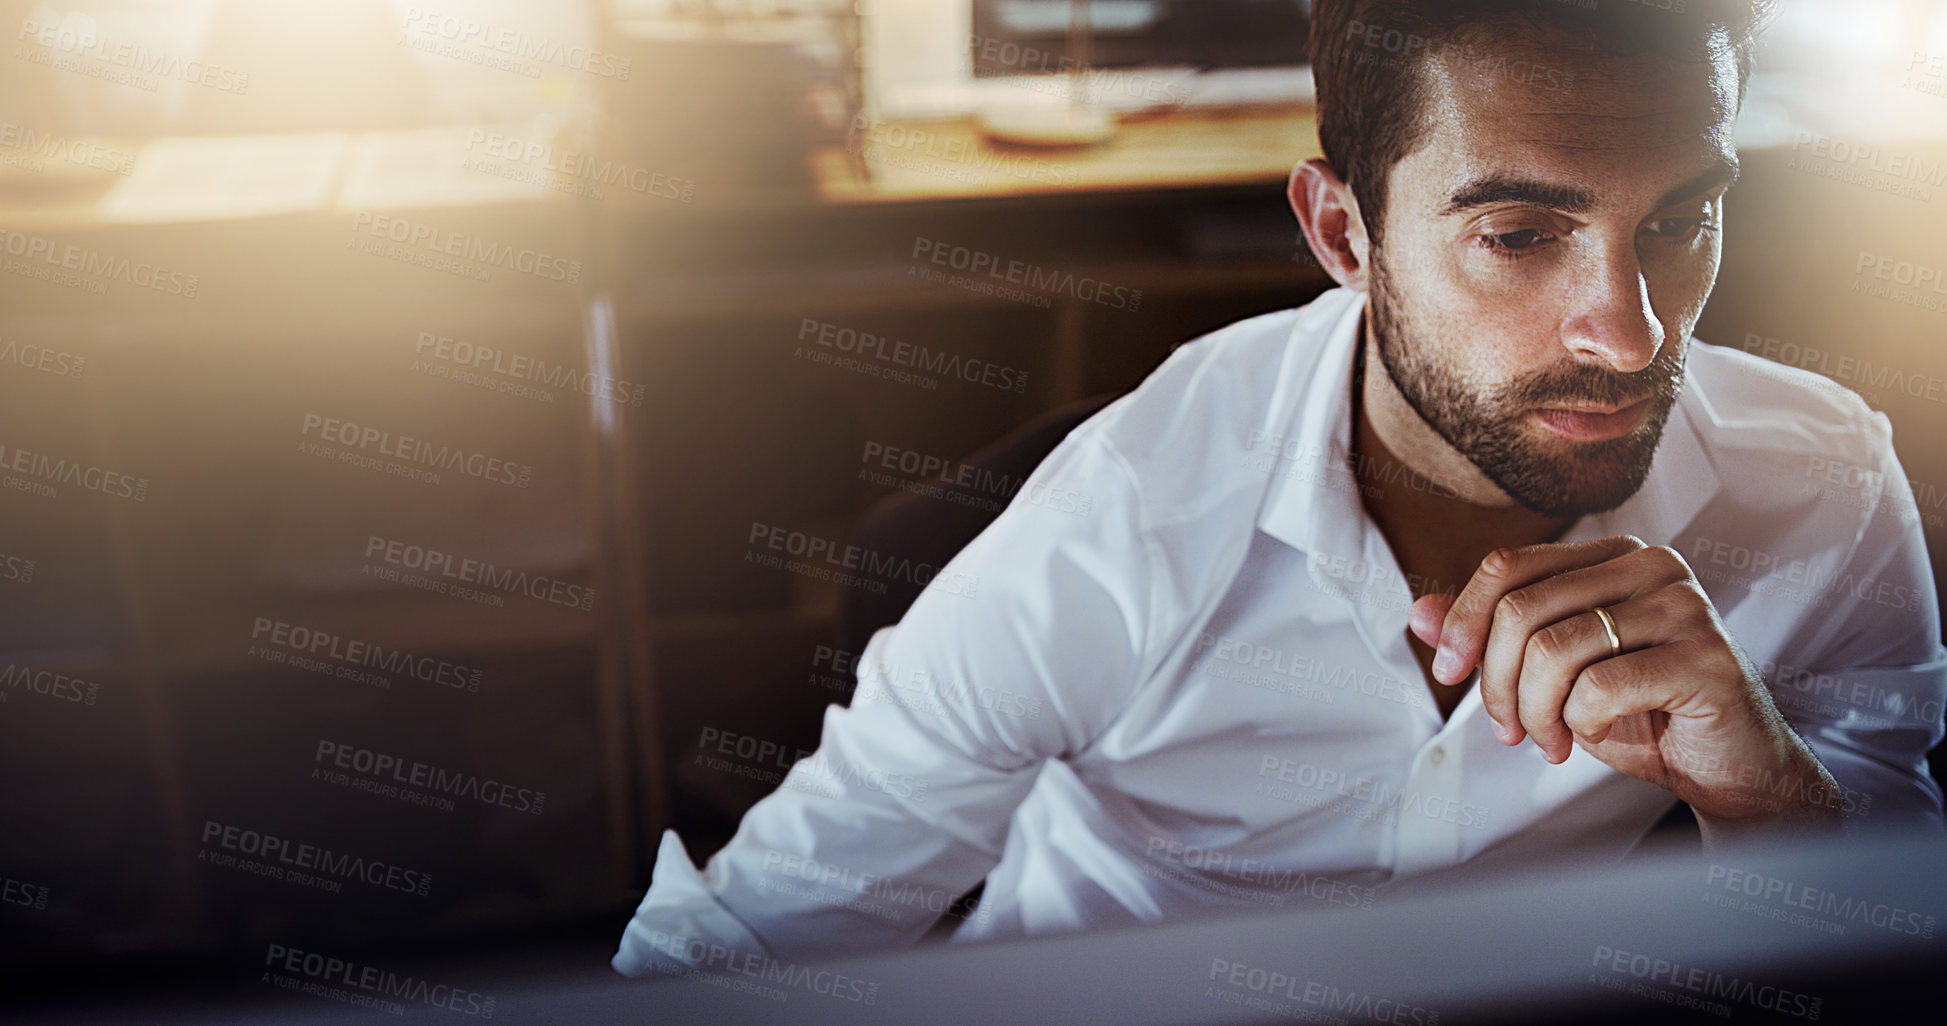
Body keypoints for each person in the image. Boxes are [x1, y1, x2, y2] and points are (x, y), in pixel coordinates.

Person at [614, 0, 1946, 977]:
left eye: (1679, 219)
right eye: (1519, 235)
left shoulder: (1819, 481)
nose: (1634, 330)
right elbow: (735, 948)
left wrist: (1770, 788)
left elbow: (1898, 920)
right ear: (1342, 235)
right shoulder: (1116, 532)